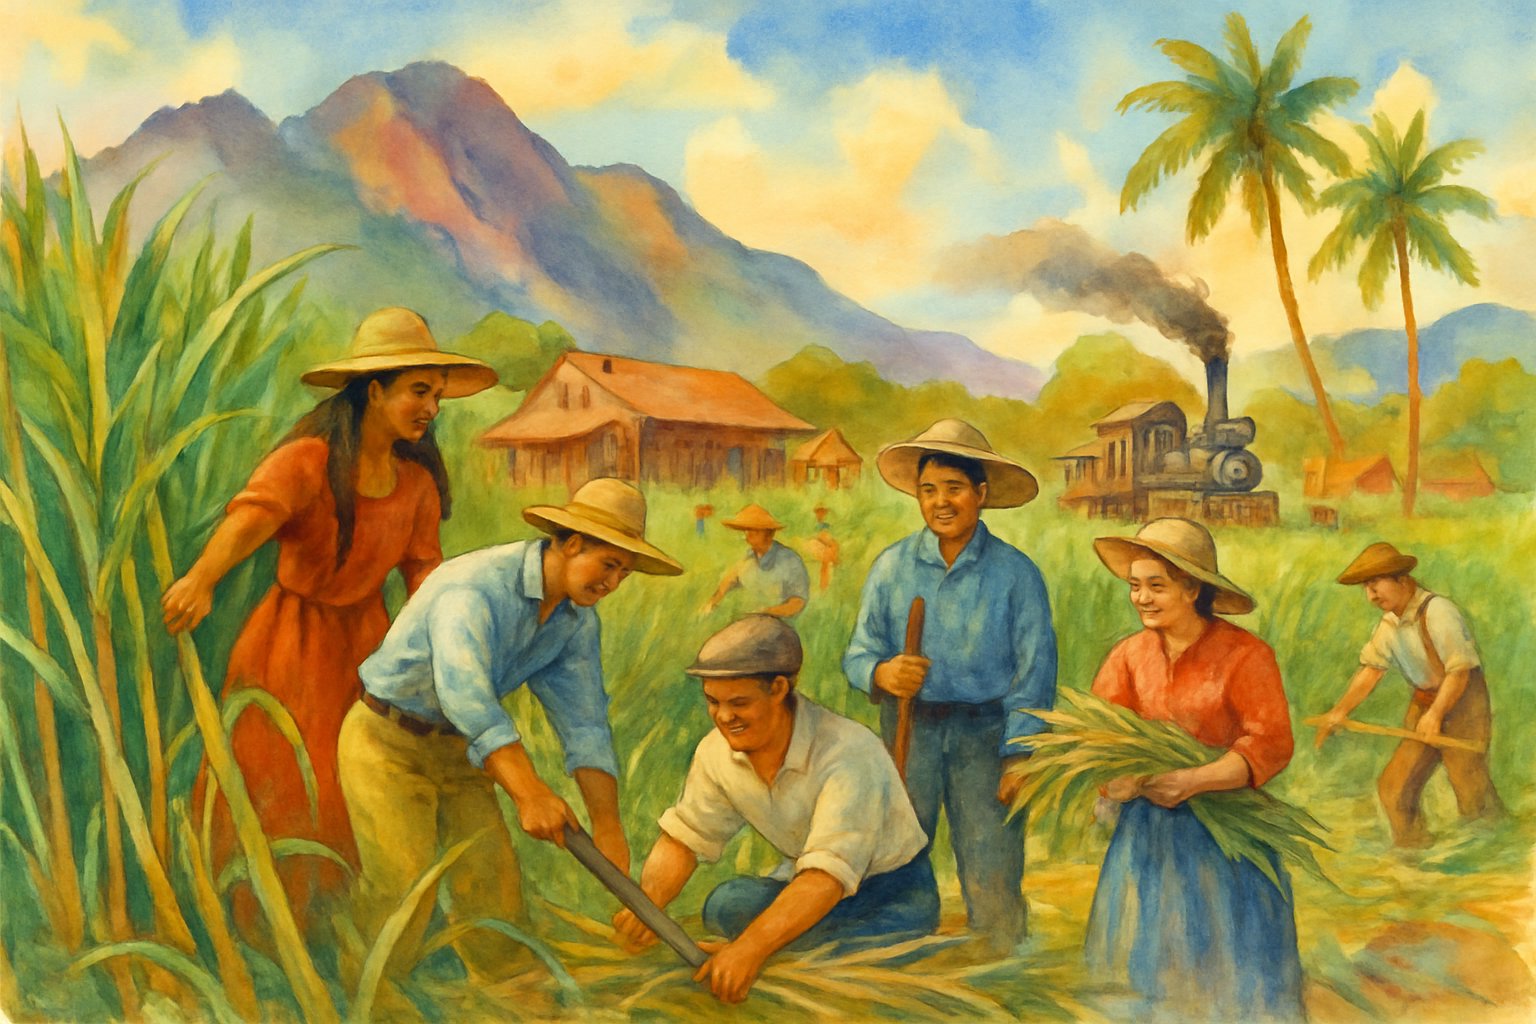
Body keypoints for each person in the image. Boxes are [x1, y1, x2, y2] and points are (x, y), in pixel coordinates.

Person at [161, 307, 496, 929]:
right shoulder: (307, 461)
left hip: (368, 652)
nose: (433, 407)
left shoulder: (417, 483)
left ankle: (335, 926)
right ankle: (254, 927)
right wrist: (200, 579)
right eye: (420, 391)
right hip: (287, 645)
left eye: (438, 394)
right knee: (280, 774)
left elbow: (425, 579)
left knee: (350, 785)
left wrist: (454, 655)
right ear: (376, 390)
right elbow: (252, 518)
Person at [337, 478, 682, 983]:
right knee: (402, 882)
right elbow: (465, 694)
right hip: (385, 741)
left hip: (459, 752)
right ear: (570, 543)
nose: (612, 583)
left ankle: (510, 992)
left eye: (624, 573)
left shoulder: (575, 621)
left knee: (490, 879)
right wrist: (529, 792)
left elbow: (583, 721)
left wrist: (607, 826)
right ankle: (368, 995)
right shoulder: (473, 587)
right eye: (608, 564)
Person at [614, 616, 937, 1003]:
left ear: (779, 689)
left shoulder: (849, 752)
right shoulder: (716, 752)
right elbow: (686, 837)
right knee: (724, 906)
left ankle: (806, 948)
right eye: (713, 702)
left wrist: (750, 949)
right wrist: (647, 905)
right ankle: (793, 943)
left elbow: (826, 877)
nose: (723, 717)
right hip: (806, 883)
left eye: (739, 703)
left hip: (891, 891)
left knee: (840, 943)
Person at [843, 419, 1056, 954]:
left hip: (986, 731)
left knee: (991, 852)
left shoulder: (1016, 573)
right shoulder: (892, 567)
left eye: (954, 489)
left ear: (980, 495)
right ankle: (893, 951)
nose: (941, 502)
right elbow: (858, 654)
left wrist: (1020, 754)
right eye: (928, 490)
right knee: (897, 849)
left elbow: (1035, 672)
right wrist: (882, 673)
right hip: (909, 728)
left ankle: (1000, 953)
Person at [1086, 517, 1302, 1021]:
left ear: (1193, 588)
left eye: (1156, 586)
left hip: (1226, 832)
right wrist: (1119, 781)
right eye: (1135, 586)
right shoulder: (1129, 655)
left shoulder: (1245, 654)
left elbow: (1269, 743)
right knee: (1150, 952)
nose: (1141, 598)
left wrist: (1193, 780)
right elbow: (1100, 738)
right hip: (1147, 832)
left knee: (1226, 959)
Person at [1315, 542, 1502, 847]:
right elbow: (1371, 669)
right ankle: (1413, 854)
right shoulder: (1390, 623)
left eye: (1376, 584)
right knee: (1394, 787)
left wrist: (1437, 715)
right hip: (1425, 702)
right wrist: (1340, 711)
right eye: (1366, 586)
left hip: (1464, 702)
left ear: (1403, 579)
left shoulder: (1439, 611)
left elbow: (1460, 671)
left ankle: (1492, 858)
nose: (1371, 595)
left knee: (1471, 790)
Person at [699, 504, 810, 619]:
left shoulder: (790, 560)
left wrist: (768, 612)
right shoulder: (748, 559)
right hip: (753, 621)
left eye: (755, 530)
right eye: (746, 529)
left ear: (769, 533)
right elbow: (729, 580)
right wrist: (712, 602)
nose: (748, 534)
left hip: (780, 625)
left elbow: (798, 602)